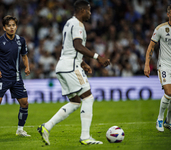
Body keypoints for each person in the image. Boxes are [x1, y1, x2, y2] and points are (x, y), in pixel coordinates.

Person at [37, 0, 110, 145]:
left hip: (64, 66)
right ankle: (85, 137)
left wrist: (83, 63)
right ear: (82, 10)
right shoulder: (78, 24)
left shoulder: (69, 23)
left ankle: (47, 126)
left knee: (76, 102)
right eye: (88, 10)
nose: (90, 13)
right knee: (88, 98)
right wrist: (97, 58)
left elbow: (70, 47)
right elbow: (77, 45)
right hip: (71, 67)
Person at [0, 15, 31, 138]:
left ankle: (20, 130)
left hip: (16, 78)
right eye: (9, 25)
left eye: (13, 25)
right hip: (3, 78)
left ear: (16, 27)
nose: (11, 28)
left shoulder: (21, 40)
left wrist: (27, 67)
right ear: (4, 28)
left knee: (25, 103)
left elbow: (24, 56)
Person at [144, 5, 171, 132]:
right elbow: (151, 47)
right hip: (164, 65)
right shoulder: (161, 29)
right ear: (168, 14)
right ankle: (160, 119)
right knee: (169, 92)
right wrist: (146, 64)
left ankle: (168, 121)